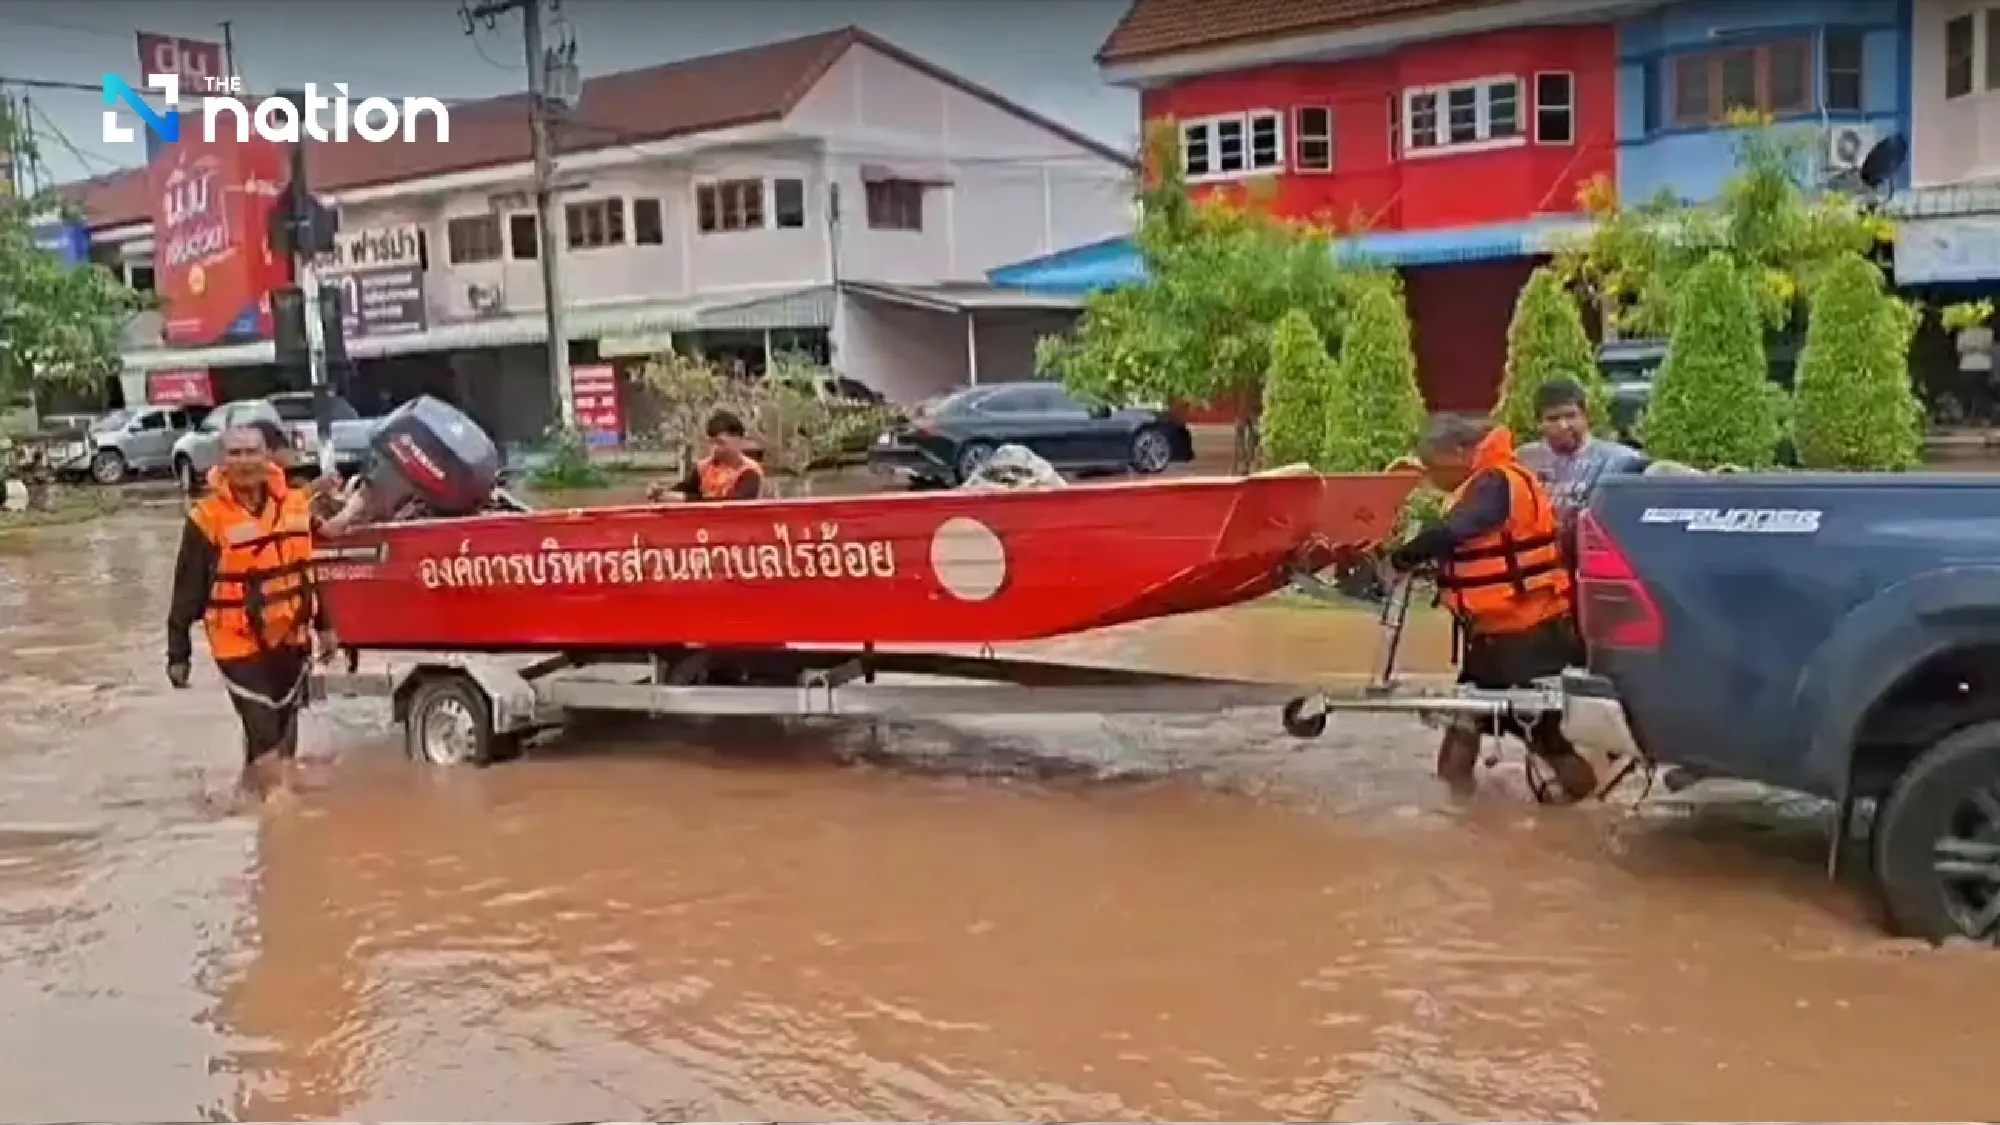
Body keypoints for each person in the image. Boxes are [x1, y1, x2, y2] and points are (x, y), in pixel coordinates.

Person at [1387, 414, 1600, 802]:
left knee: (1547, 740)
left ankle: (1592, 817)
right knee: (1463, 718)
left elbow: (1454, 532)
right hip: (1494, 633)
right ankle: (1453, 815)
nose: (1432, 480)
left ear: (1459, 452)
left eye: (1434, 468)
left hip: (1524, 635)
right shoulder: (1499, 478)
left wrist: (1402, 558)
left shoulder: (1495, 482)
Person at [166, 422, 336, 799]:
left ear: (266, 457)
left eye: (251, 452)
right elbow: (186, 589)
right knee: (265, 737)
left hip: (290, 636)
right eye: (235, 453)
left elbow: (306, 571)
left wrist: (325, 628)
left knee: (283, 735)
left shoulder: (293, 504)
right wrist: (178, 653)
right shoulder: (206, 518)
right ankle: (282, 825)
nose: (244, 462)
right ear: (222, 462)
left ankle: (248, 803)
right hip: (237, 643)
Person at [1514, 378, 1647, 535]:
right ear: (1538, 423)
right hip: (1542, 554)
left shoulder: (1621, 459)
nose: (1563, 426)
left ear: (1585, 416)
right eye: (1553, 419)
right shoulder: (1522, 460)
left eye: (1571, 416)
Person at [645, 409, 764, 503]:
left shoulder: (749, 471)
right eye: (712, 442)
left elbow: (734, 505)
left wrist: (684, 499)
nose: (715, 448)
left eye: (720, 443)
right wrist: (661, 493)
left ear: (739, 440)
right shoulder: (703, 467)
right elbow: (683, 489)